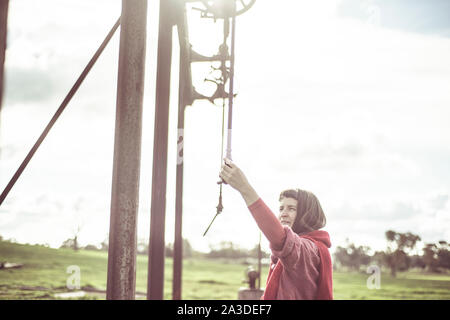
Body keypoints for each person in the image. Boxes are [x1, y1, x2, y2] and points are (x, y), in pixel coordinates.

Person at [219, 158, 333, 300]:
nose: (283, 213)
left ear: (307, 214)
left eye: (291, 208)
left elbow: (282, 239)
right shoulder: (307, 249)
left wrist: (245, 188)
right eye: (281, 208)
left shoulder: (307, 251)